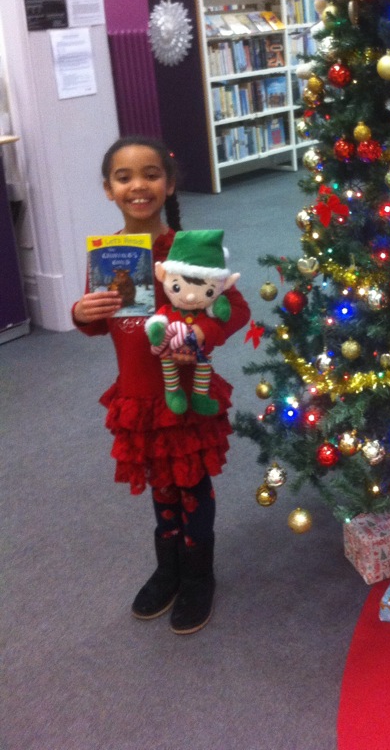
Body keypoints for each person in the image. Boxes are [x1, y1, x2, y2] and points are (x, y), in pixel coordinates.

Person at [73, 136, 250, 635]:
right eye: (124, 177)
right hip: (138, 396)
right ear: (108, 188)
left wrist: (200, 333)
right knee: (160, 485)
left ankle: (198, 575)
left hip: (186, 393)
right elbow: (97, 320)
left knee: (192, 483)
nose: (138, 185)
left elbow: (234, 308)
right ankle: (168, 566)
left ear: (168, 183)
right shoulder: (108, 255)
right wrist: (79, 312)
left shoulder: (189, 249)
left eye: (150, 174)